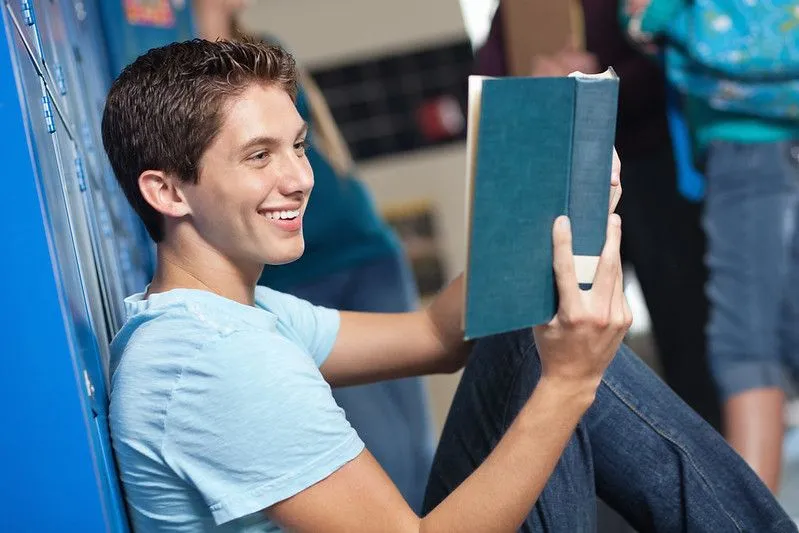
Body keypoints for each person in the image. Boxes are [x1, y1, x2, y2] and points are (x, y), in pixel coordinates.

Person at [102, 38, 795, 532]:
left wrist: (550, 209)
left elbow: (435, 334)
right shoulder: (214, 360)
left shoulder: (234, 317)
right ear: (167, 190)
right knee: (556, 358)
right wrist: (568, 383)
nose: (299, 178)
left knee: (523, 333)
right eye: (259, 155)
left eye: (299, 146)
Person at [191, 0, 435, 511]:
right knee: (380, 449)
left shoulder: (264, 51)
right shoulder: (173, 75)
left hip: (365, 253)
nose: (295, 174)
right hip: (293, 284)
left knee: (415, 448)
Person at [476, 0, 721, 431]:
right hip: (566, 177)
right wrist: (536, 85)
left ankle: (701, 448)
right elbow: (490, 83)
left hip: (652, 172)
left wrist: (600, 81)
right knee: (561, 325)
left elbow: (677, 65)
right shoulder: (518, 9)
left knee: (684, 326)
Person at [622, 0, 799, 493]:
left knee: (744, 345)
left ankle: (746, 523)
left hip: (745, 139)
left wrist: (648, 19)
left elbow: (646, 14)